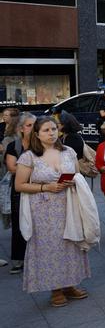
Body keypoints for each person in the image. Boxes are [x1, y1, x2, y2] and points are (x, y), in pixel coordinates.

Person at [14, 116, 90, 307]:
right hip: (43, 208)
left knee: (70, 243)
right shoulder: (29, 156)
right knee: (48, 247)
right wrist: (45, 188)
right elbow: (19, 185)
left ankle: (70, 284)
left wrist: (73, 180)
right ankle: (55, 288)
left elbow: (76, 174)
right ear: (37, 134)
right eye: (46, 130)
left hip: (68, 204)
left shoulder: (69, 151)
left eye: (54, 129)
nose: (51, 133)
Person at [3, 112, 36, 274]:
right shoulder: (13, 146)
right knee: (18, 224)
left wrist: (25, 169)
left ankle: (37, 256)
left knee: (38, 223)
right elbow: (12, 168)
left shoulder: (41, 145)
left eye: (34, 125)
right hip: (18, 190)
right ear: (22, 128)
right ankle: (19, 260)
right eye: (29, 125)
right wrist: (34, 169)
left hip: (37, 189)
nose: (32, 128)